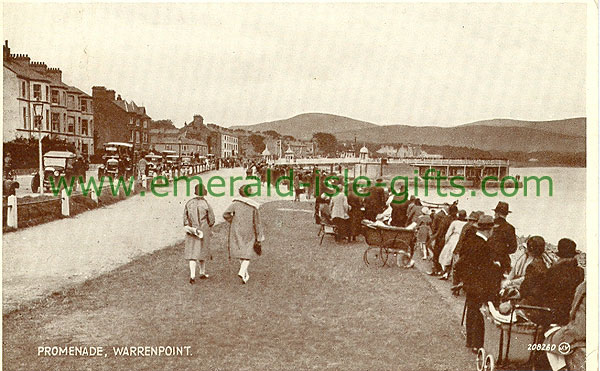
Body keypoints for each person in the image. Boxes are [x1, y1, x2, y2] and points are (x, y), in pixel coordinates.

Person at [453, 214, 503, 352]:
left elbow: (461, 263)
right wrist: (496, 266)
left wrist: (463, 280)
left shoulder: (470, 241)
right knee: (479, 313)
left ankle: (470, 341)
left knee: (471, 310)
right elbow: (486, 269)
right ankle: (477, 344)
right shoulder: (485, 246)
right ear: (488, 230)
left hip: (470, 283)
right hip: (481, 285)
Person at [524, 238, 584, 326]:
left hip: (551, 314)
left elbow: (541, 292)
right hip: (570, 314)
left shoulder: (554, 271)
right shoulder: (580, 272)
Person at [223, 185, 265, 284]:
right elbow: (257, 222)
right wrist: (259, 236)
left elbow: (225, 214)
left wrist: (232, 221)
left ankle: (245, 274)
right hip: (249, 230)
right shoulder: (253, 206)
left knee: (241, 251)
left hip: (236, 230)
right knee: (247, 253)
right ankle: (243, 272)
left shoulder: (235, 203)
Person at [543, 280, 586, 371]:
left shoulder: (586, 288)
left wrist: (565, 331)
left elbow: (580, 329)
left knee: (549, 342)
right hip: (581, 331)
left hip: (582, 335)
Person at [183, 184, 215, 284]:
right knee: (202, 251)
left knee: (192, 253)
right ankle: (202, 272)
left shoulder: (189, 203)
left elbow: (185, 218)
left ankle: (192, 275)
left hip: (192, 229)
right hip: (204, 229)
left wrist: (190, 227)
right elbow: (212, 220)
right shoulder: (206, 204)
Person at [488, 201, 518, 274]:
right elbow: (513, 248)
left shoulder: (489, 225)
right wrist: (502, 250)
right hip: (503, 261)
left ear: (497, 213)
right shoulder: (510, 228)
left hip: (487, 258)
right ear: (506, 214)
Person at [438, 209, 467, 280]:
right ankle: (453, 275)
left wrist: (446, 241)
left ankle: (446, 273)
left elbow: (448, 233)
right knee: (455, 259)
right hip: (461, 241)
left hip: (453, 239)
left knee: (447, 257)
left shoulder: (455, 222)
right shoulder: (466, 224)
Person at [428, 204, 456, 276]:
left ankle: (437, 270)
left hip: (442, 238)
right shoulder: (456, 219)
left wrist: (434, 237)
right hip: (451, 240)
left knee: (436, 254)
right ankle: (444, 271)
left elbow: (440, 229)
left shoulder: (446, 218)